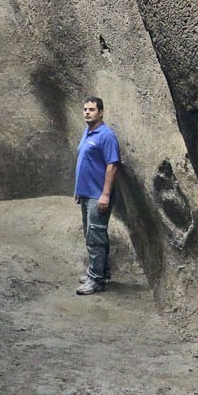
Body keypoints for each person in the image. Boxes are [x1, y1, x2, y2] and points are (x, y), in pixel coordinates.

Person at [73, 96, 120, 294]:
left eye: (91, 109)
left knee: (95, 238)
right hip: (86, 194)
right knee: (93, 234)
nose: (87, 112)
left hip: (98, 195)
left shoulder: (106, 135)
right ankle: (102, 273)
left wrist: (105, 194)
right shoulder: (88, 132)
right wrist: (78, 191)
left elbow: (112, 165)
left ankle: (95, 280)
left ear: (100, 112)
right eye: (85, 109)